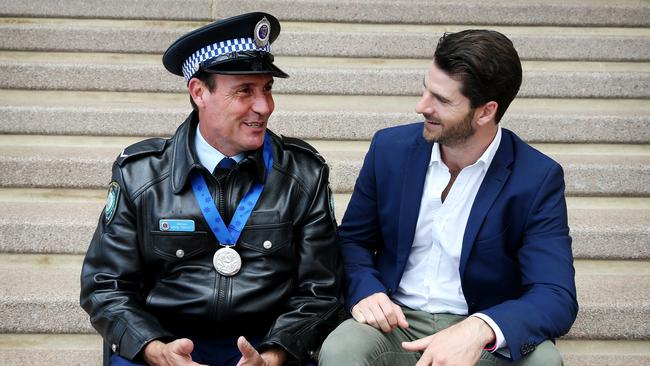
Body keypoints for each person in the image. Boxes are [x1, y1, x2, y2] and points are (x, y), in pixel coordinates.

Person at [80, 12, 342, 366]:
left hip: (269, 345)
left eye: (267, 88)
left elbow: (321, 291)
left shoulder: (303, 174)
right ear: (199, 92)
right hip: (164, 343)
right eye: (245, 91)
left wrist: (273, 355)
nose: (264, 106)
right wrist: (157, 350)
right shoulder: (140, 175)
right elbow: (106, 285)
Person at [319, 29, 578, 366]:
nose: (421, 106)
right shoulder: (389, 149)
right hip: (396, 323)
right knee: (342, 349)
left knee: (544, 361)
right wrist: (367, 289)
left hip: (480, 330)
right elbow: (352, 240)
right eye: (426, 88)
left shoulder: (536, 177)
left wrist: (480, 328)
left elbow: (555, 295)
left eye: (441, 99)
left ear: (485, 112)